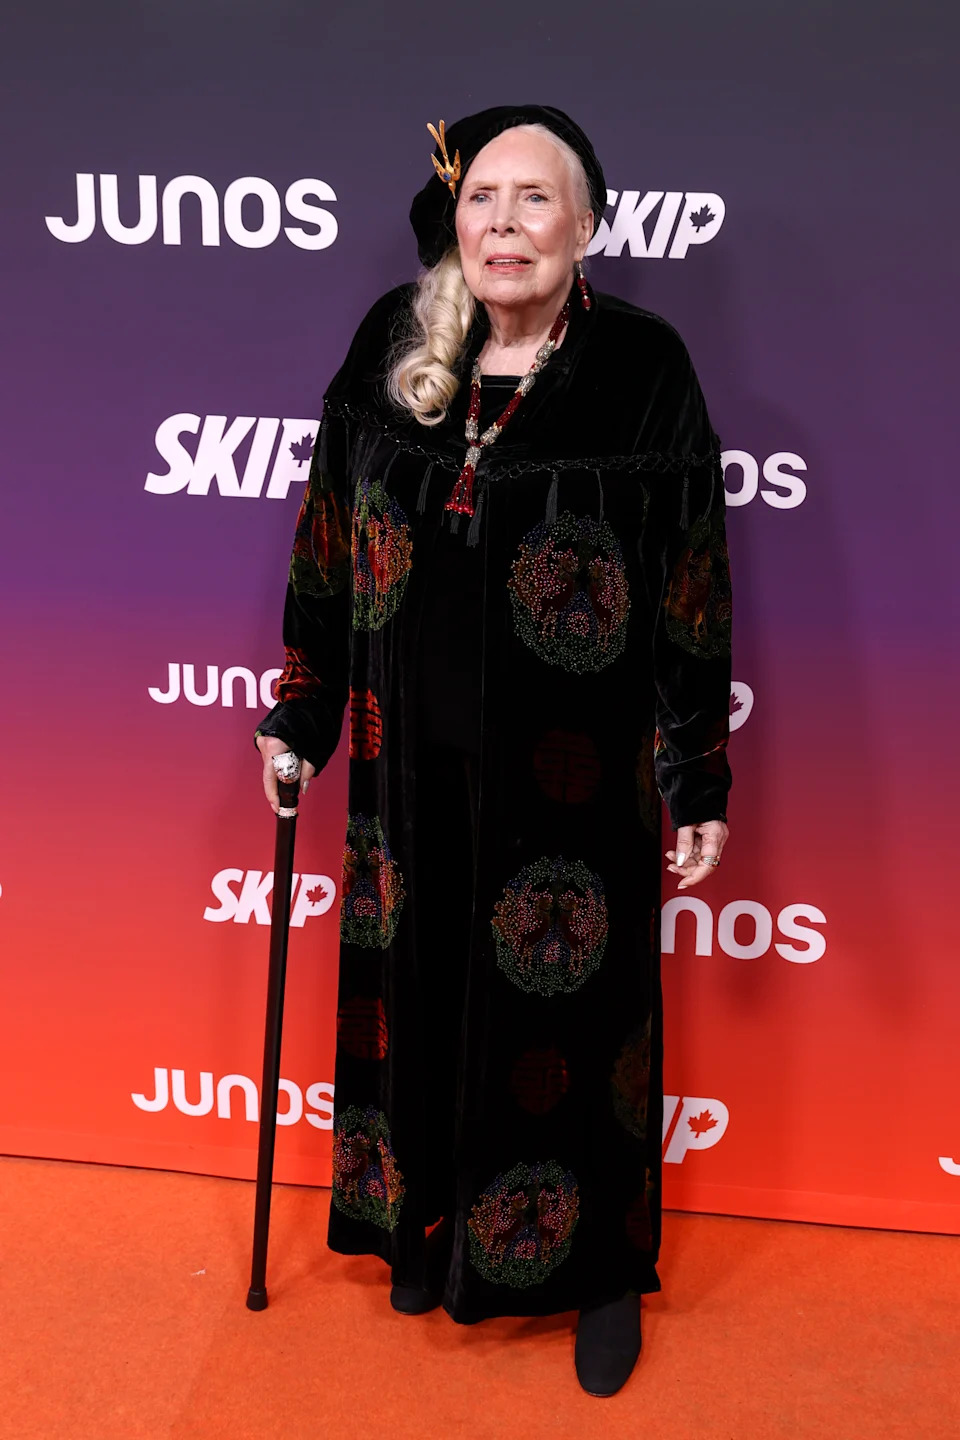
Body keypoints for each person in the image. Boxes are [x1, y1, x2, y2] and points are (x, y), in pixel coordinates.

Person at [254, 104, 732, 1397]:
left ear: (587, 225)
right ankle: (425, 1223)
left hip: (575, 780)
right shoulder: (394, 341)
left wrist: (696, 766)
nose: (504, 224)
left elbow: (690, 578)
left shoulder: (642, 366)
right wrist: (303, 708)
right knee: (419, 996)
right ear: (451, 218)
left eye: (535, 199)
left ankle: (601, 1271)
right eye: (483, 197)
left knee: (573, 1021)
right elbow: (327, 540)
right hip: (405, 768)